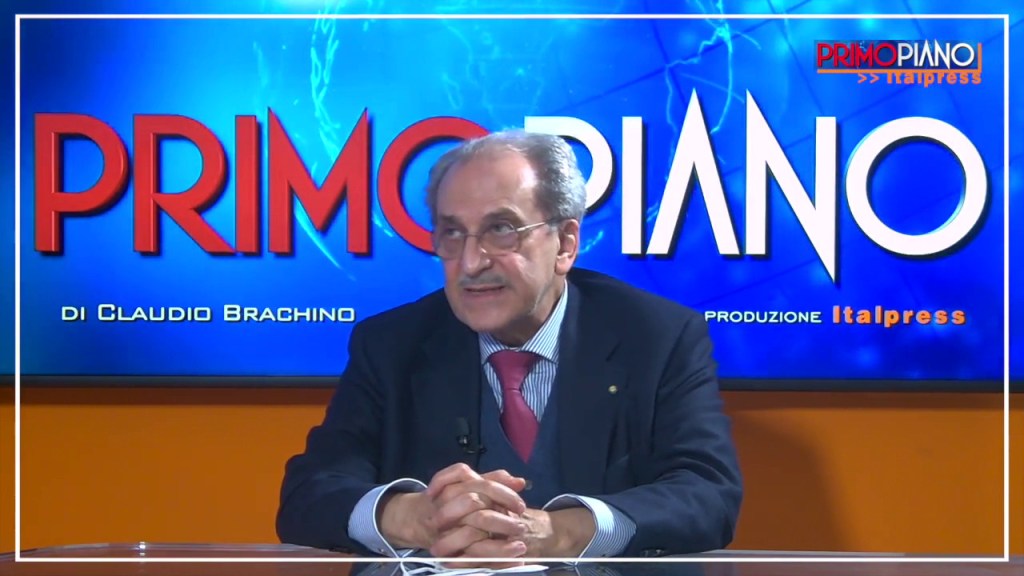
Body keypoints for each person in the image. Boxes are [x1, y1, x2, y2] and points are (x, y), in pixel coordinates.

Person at [276, 130, 742, 560]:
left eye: (501, 229)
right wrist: (413, 518)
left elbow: (708, 495)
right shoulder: (392, 344)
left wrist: (560, 532)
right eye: (452, 233)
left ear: (565, 243)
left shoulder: (656, 336)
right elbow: (307, 495)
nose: (471, 263)